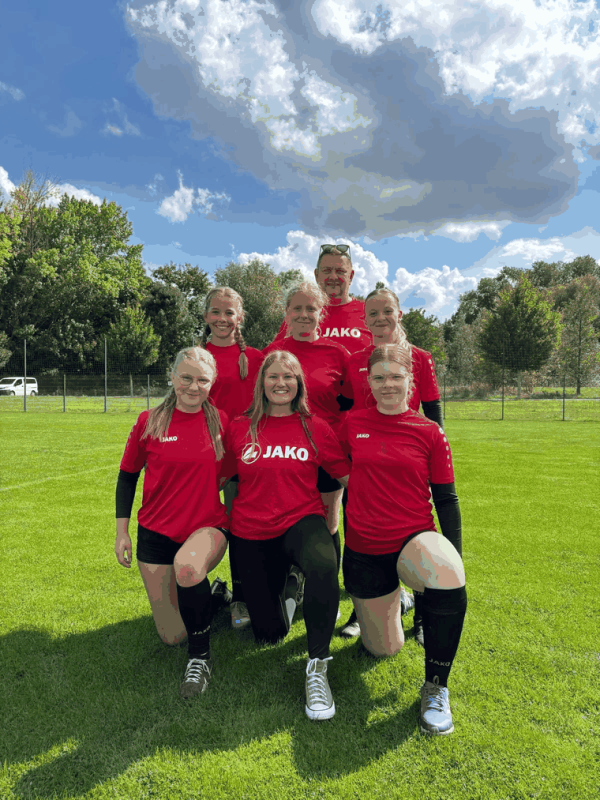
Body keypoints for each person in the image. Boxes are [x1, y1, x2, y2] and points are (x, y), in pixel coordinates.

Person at [339, 343, 467, 735]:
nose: (388, 384)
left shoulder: (429, 432)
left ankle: (436, 687)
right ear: (368, 382)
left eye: (396, 376)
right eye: (379, 377)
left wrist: (455, 561)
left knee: (445, 574)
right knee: (383, 649)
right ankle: (404, 599)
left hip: (413, 538)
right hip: (363, 547)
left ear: (410, 382)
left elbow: (446, 498)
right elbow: (333, 476)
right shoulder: (349, 425)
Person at [220, 351, 350, 720]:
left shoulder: (315, 426)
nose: (281, 383)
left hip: (301, 521)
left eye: (289, 377)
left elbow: (345, 474)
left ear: (299, 384)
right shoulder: (239, 426)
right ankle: (293, 587)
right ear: (262, 382)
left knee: (325, 563)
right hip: (251, 532)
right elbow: (218, 474)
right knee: (270, 635)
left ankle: (317, 665)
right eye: (274, 376)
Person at [114, 346, 230, 699]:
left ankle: (200, 660)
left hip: (206, 528)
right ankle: (215, 597)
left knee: (188, 567)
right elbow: (127, 475)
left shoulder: (223, 422)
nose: (193, 387)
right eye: (186, 378)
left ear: (212, 383)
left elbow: (239, 472)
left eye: (202, 380)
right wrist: (122, 532)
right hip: (156, 532)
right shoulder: (148, 421)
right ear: (172, 377)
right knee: (172, 636)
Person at [339, 287, 444, 642]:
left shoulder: (421, 358)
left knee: (416, 538)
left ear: (399, 313)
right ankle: (364, 608)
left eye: (387, 311)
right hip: (364, 463)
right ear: (364, 319)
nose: (380, 319)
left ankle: (423, 616)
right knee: (362, 536)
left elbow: (433, 412)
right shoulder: (354, 358)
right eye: (372, 313)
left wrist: (432, 461)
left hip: (405, 465)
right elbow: (344, 406)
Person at [263, 281, 350, 560]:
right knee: (284, 522)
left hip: (329, 452)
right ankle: (292, 584)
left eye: (310, 308)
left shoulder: (338, 353)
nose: (303, 314)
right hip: (283, 451)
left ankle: (327, 598)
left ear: (321, 312)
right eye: (296, 308)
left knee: (328, 523)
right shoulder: (272, 353)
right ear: (286, 312)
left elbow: (349, 403)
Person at [202, 286, 264, 631]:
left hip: (248, 456)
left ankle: (241, 595)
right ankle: (198, 590)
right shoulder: (196, 355)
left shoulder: (255, 358)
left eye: (229, 313)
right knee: (201, 523)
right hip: (206, 456)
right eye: (216, 312)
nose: (222, 319)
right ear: (206, 315)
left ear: (239, 318)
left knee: (243, 527)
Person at [272, 243, 371, 353]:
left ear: (351, 276)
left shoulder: (369, 311)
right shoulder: (300, 314)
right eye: (327, 271)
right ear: (316, 274)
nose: (333, 276)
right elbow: (275, 355)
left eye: (340, 271)